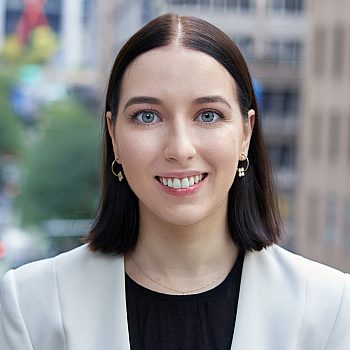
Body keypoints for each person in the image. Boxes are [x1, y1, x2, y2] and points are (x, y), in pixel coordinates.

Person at [0, 13, 349, 350]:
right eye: (148, 116)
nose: (180, 148)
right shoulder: (30, 306)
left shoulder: (330, 309)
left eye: (208, 115)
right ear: (113, 135)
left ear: (246, 133)